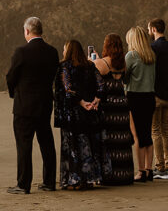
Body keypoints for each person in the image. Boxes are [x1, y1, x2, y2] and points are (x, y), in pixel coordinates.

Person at [5, 16, 59, 194]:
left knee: (24, 144)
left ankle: (23, 184)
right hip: (44, 103)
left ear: (27, 31)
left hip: (25, 105)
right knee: (46, 143)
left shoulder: (21, 52)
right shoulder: (52, 52)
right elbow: (53, 75)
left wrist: (15, 93)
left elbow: (11, 76)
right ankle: (49, 182)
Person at [54, 40, 103, 190]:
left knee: (72, 147)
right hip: (90, 114)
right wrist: (96, 100)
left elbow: (67, 89)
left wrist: (81, 102)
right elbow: (101, 85)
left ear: (68, 51)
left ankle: (73, 180)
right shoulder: (90, 65)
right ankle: (88, 179)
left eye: (64, 49)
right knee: (88, 145)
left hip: (73, 114)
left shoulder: (64, 66)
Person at [93, 34, 134, 185]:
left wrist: (93, 60)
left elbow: (94, 73)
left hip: (108, 105)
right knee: (122, 138)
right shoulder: (123, 63)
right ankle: (124, 174)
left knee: (109, 139)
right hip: (122, 104)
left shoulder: (102, 63)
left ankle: (109, 175)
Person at [124, 26, 156, 182]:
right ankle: (149, 170)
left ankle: (141, 171)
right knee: (147, 134)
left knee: (137, 136)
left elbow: (124, 77)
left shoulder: (131, 56)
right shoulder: (151, 56)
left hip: (135, 97)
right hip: (150, 96)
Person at [149, 19, 168, 179]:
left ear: (153, 29)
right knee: (165, 129)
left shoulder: (153, 48)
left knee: (155, 130)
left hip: (156, 93)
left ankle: (160, 166)